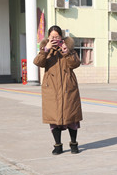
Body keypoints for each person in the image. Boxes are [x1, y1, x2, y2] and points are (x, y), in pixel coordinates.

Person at [33, 25, 83, 155]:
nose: (55, 39)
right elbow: (38, 63)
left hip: (68, 88)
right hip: (51, 89)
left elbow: (75, 64)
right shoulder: (45, 50)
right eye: (52, 37)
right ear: (48, 37)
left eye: (57, 37)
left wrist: (67, 52)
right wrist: (46, 50)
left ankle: (74, 144)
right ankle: (58, 145)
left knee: (72, 117)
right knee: (53, 119)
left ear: (61, 37)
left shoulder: (69, 48)